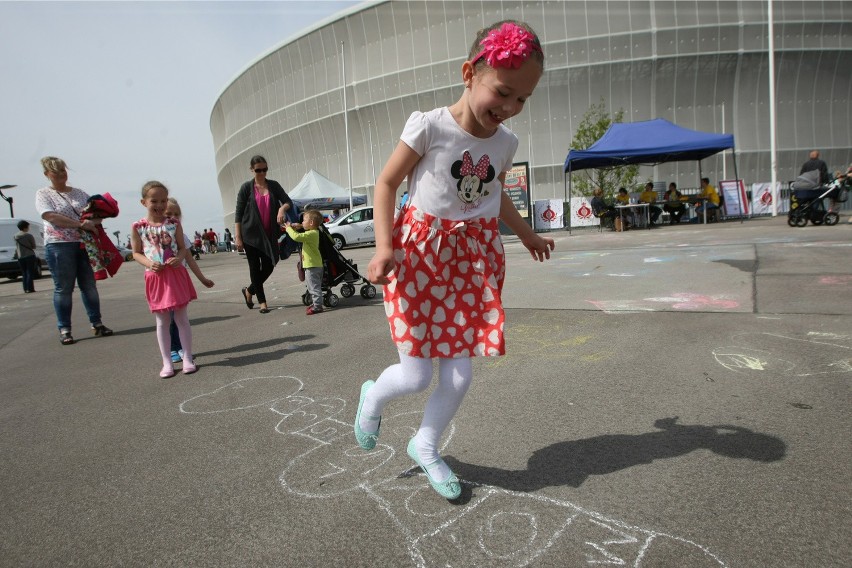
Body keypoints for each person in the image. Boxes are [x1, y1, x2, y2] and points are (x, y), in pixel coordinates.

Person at [353, 20, 554, 501]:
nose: (509, 109)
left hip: (471, 263)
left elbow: (494, 191)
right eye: (503, 92)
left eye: (522, 100)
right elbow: (385, 185)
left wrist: (525, 231)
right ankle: (373, 397)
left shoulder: (506, 143)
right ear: (469, 73)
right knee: (417, 374)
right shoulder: (429, 126)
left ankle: (425, 445)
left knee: (460, 375)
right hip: (420, 258)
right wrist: (384, 247)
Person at [35, 156, 113, 345]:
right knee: (63, 288)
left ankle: (97, 323)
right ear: (47, 174)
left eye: (63, 169)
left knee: (89, 285)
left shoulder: (79, 193)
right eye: (56, 171)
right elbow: (51, 216)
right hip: (59, 245)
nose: (62, 173)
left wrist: (95, 221)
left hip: (84, 243)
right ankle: (65, 328)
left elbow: (94, 212)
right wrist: (79, 224)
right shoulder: (43, 194)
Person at [131, 181, 198, 378]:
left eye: (163, 200)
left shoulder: (174, 224)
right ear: (144, 202)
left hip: (175, 275)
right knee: (162, 321)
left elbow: (182, 247)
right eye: (154, 201)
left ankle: (187, 357)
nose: (159, 205)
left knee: (181, 318)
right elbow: (136, 252)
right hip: (155, 277)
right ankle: (167, 361)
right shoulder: (138, 227)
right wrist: (149, 263)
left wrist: (178, 258)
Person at [234, 154, 295, 314]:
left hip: (269, 235)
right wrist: (238, 236)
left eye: (265, 170)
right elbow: (238, 214)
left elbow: (288, 201)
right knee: (254, 268)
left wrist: (282, 208)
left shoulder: (273, 185)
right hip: (250, 236)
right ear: (252, 170)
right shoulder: (246, 188)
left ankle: (249, 291)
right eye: (258, 170)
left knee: (269, 265)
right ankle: (262, 302)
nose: (262, 173)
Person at [165, 197, 214, 363]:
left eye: (176, 214)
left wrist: (202, 279)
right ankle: (173, 348)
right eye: (169, 213)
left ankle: (182, 348)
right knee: (168, 318)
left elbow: (190, 260)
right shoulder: (157, 237)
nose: (173, 217)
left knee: (180, 317)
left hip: (179, 280)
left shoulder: (182, 237)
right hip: (164, 283)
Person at [284, 209, 325, 315]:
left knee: (314, 286)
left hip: (313, 266)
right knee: (311, 286)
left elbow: (297, 237)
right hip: (312, 265)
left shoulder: (311, 234)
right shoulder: (313, 231)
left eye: (304, 220)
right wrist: (298, 226)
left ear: (311, 223)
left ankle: (318, 306)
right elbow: (304, 227)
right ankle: (316, 303)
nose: (302, 222)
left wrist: (288, 229)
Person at [14, 220, 38, 293]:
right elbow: (33, 246)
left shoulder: (15, 236)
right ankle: (30, 288)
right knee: (30, 272)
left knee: (24, 273)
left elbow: (16, 247)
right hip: (29, 255)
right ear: (25, 227)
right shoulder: (29, 235)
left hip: (20, 256)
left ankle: (25, 288)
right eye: (28, 227)